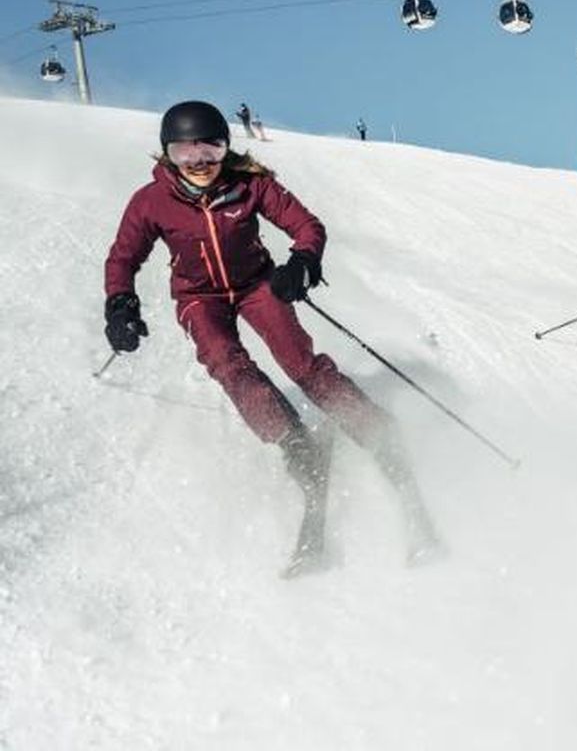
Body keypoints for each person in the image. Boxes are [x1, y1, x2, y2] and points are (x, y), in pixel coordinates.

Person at [103, 100, 435, 560]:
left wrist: (303, 261)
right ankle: (297, 444)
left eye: (211, 151)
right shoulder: (151, 201)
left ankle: (374, 429)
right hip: (200, 297)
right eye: (185, 153)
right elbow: (123, 257)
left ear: (226, 149)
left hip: (258, 283)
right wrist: (120, 302)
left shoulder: (250, 184)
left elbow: (305, 225)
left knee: (301, 363)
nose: (199, 163)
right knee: (227, 364)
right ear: (167, 154)